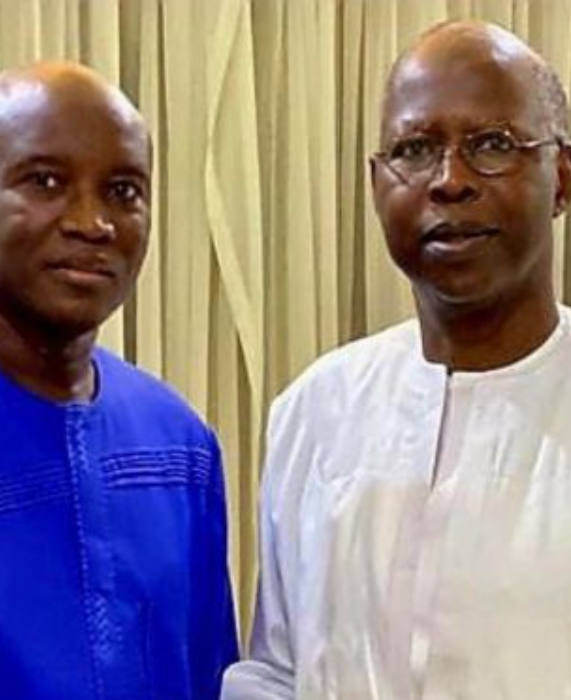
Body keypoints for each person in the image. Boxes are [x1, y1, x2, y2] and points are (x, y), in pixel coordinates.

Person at [223, 20, 571, 699]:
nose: (450, 181)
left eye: (492, 145)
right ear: (377, 183)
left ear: (560, 178)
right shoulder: (316, 411)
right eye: (415, 150)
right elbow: (278, 670)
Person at [0, 61, 237, 698]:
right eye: (45, 181)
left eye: (123, 191)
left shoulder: (179, 445)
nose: (91, 223)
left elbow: (208, 676)